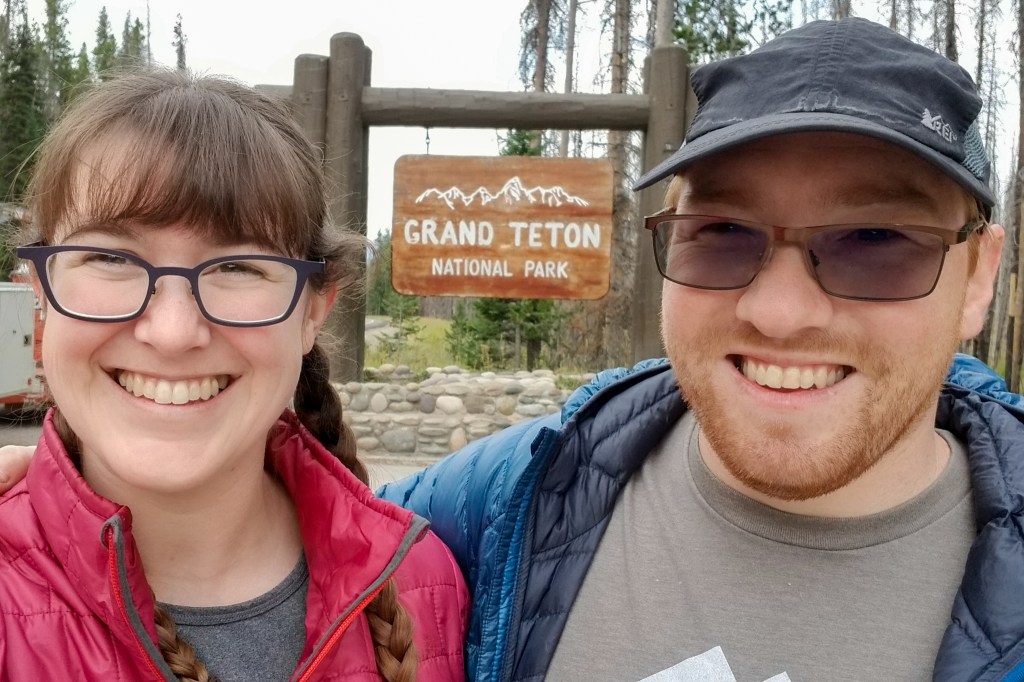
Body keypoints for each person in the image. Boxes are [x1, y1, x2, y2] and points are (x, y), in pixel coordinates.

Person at [3, 17, 1024, 682]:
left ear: (980, 274)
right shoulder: (512, 501)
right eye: (723, 234)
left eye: (876, 242)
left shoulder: (425, 567)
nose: (783, 310)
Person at [0, 69, 468, 681]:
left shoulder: (425, 583)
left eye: (238, 267)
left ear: (312, 312)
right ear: (41, 290)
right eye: (111, 257)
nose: (172, 332)